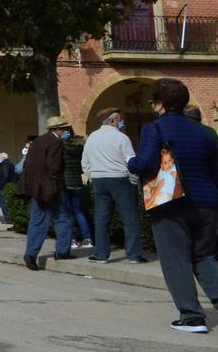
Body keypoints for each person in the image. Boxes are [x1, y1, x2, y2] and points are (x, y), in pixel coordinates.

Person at [127, 78, 218, 334]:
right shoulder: (205, 132)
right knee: (204, 256)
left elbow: (145, 164)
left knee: (175, 259)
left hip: (171, 202)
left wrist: (131, 163)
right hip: (208, 202)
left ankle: (191, 317)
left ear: (160, 104)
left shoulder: (154, 129)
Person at [82, 108, 145, 264]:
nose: (121, 122)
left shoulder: (91, 138)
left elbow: (85, 163)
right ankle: (134, 254)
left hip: (99, 180)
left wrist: (93, 175)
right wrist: (134, 180)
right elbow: (131, 161)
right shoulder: (122, 138)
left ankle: (101, 254)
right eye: (119, 119)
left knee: (102, 219)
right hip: (120, 179)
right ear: (112, 121)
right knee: (129, 218)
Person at [18, 116, 75, 271]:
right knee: (63, 218)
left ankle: (30, 253)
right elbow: (54, 167)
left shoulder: (37, 142)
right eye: (65, 129)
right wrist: (57, 185)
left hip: (37, 188)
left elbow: (28, 165)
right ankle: (62, 251)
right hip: (52, 188)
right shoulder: (56, 143)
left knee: (37, 221)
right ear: (59, 129)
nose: (67, 132)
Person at [61, 125, 93, 249]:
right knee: (79, 212)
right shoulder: (80, 148)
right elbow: (81, 168)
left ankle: (73, 239)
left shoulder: (61, 148)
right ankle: (87, 238)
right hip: (78, 184)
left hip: (66, 184)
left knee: (68, 213)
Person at [0, 152, 17, 227]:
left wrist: (1, 185)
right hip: (10, 184)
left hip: (5, 186)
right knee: (7, 203)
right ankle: (9, 218)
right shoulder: (9, 163)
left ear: (3, 158)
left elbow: (5, 175)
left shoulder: (5, 164)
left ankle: (7, 219)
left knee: (3, 203)